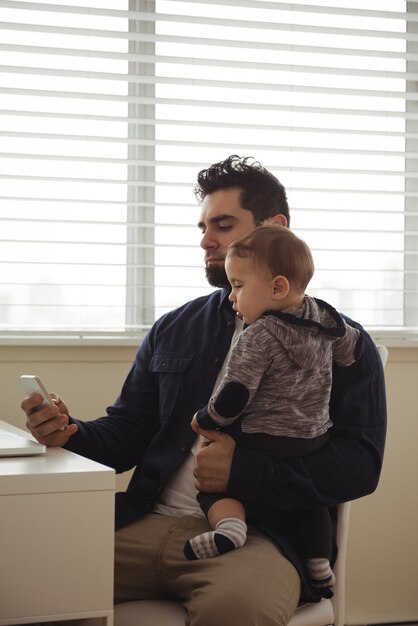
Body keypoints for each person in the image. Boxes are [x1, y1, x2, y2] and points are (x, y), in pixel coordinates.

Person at [21, 155, 386, 626]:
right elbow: (129, 432)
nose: (206, 240)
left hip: (259, 537)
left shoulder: (341, 343)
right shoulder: (175, 327)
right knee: (21, 570)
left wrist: (245, 470)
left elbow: (360, 466)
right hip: (142, 522)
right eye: (203, 226)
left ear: (276, 229)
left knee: (236, 611)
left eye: (223, 224)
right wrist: (68, 433)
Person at [183, 224, 361, 595]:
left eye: (239, 286)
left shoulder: (258, 335)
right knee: (311, 498)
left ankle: (229, 526)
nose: (232, 296)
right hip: (312, 437)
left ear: (278, 287)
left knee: (213, 479)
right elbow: (350, 352)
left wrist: (207, 419)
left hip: (263, 437)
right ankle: (318, 560)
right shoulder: (326, 320)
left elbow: (234, 396)